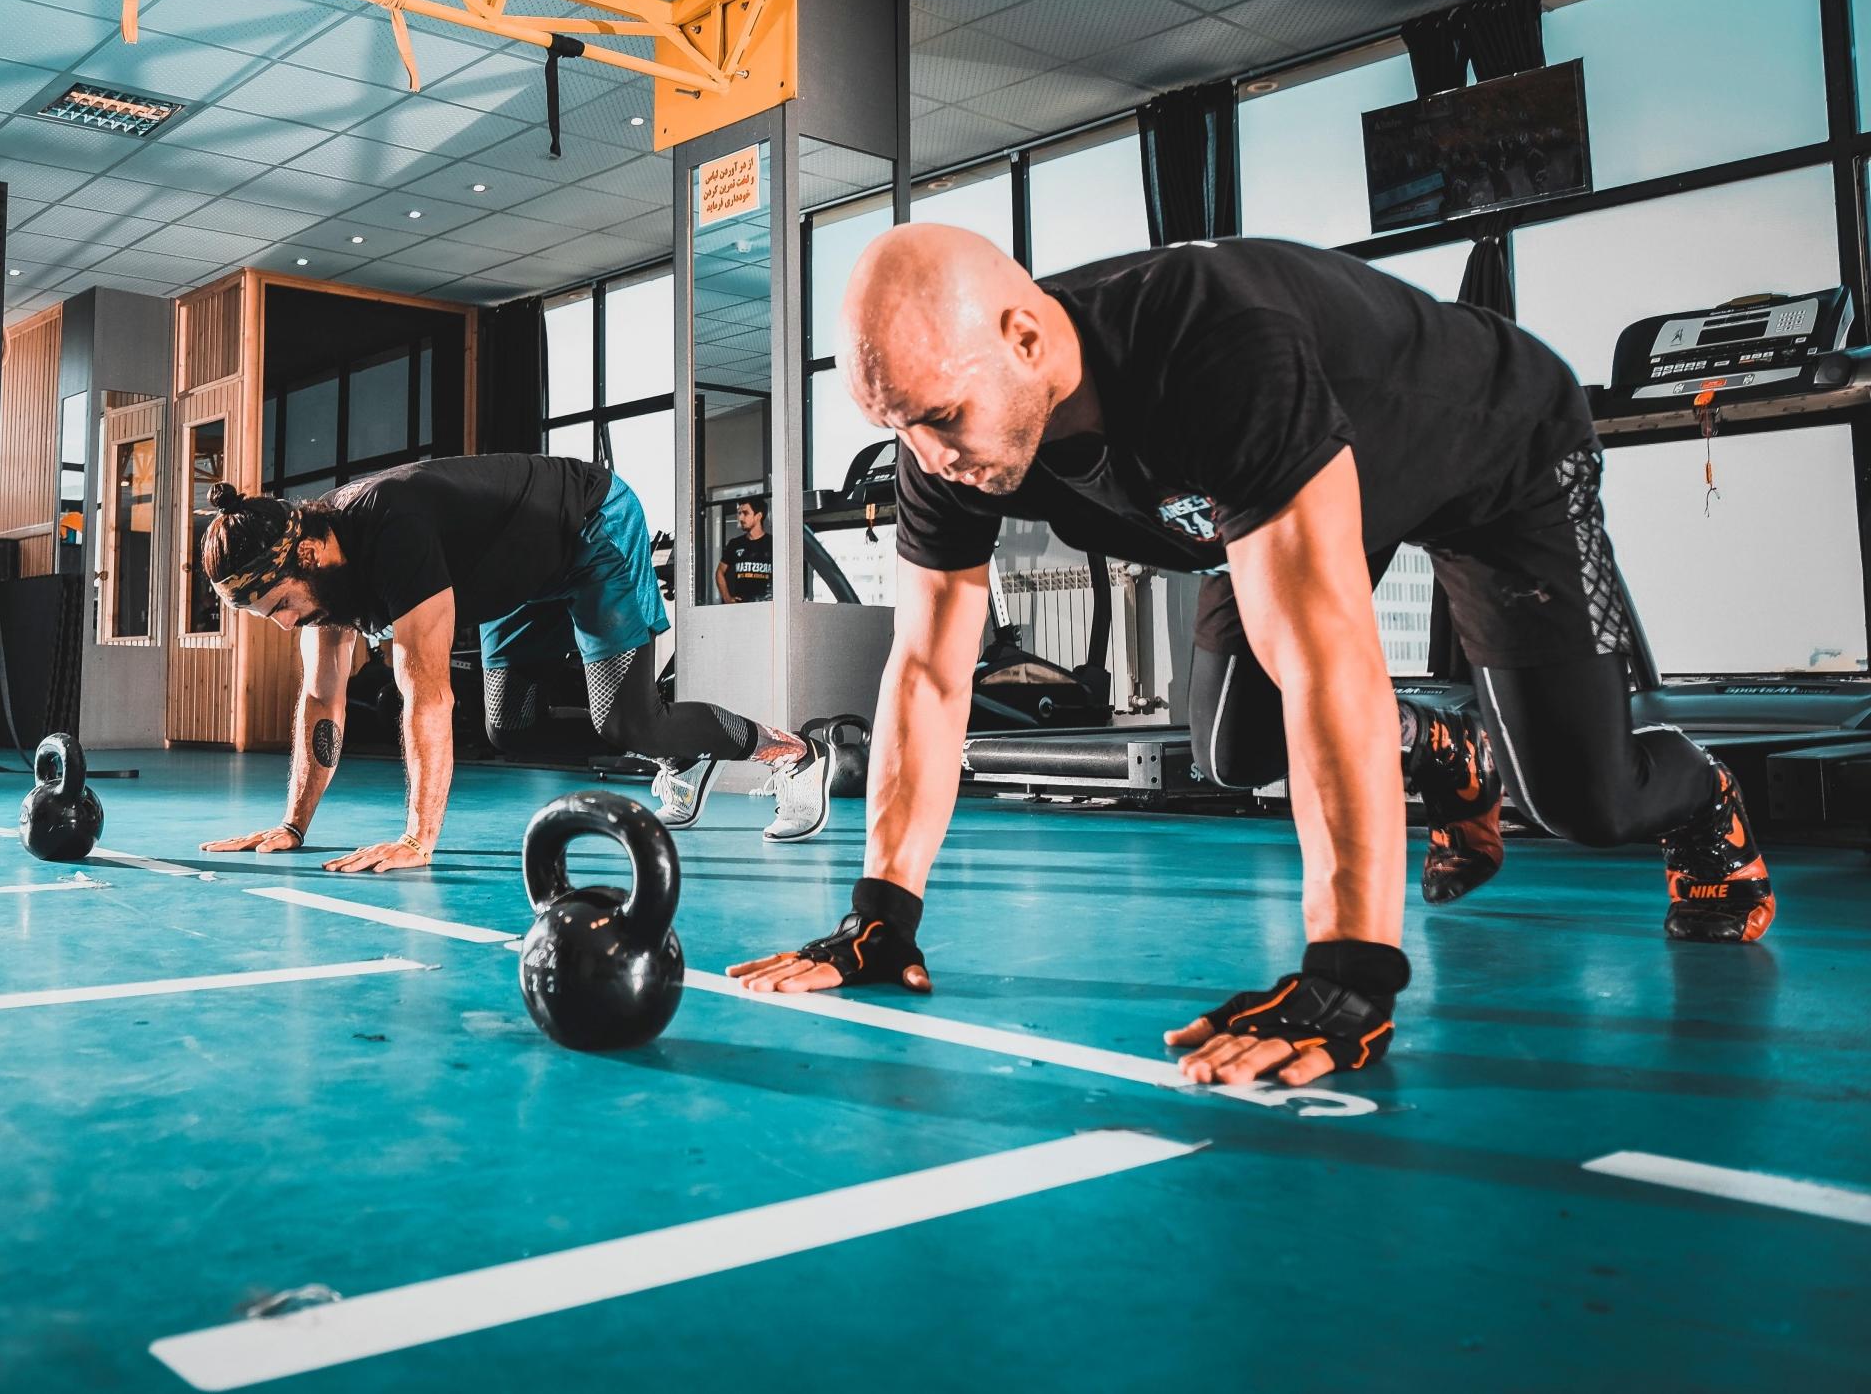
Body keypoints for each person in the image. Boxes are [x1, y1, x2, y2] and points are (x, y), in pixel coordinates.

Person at [731, 226, 1774, 1088]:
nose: (928, 457)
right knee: (1234, 746)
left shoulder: (1215, 344)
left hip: (1496, 456)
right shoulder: (951, 436)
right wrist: (880, 916)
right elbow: (925, 669)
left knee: (1582, 801)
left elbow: (1326, 655)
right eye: (899, 425)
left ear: (1025, 338)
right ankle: (1443, 750)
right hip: (1298, 486)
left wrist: (1351, 971)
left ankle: (1696, 797)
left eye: (942, 418)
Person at [195, 454, 834, 870]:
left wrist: (419, 839)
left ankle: (795, 752)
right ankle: (685, 754)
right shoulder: (318, 580)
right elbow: (321, 699)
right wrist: (293, 825)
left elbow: (428, 697)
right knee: (509, 728)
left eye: (278, 606)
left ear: (306, 556)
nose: (282, 623)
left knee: (627, 725)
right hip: (510, 575)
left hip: (588, 528)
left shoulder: (393, 532)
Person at [716, 497, 773, 603]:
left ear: (758, 516)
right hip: (741, 607)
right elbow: (719, 572)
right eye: (739, 513)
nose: (740, 518)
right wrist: (727, 598)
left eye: (745, 513)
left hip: (766, 607)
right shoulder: (735, 544)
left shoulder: (773, 543)